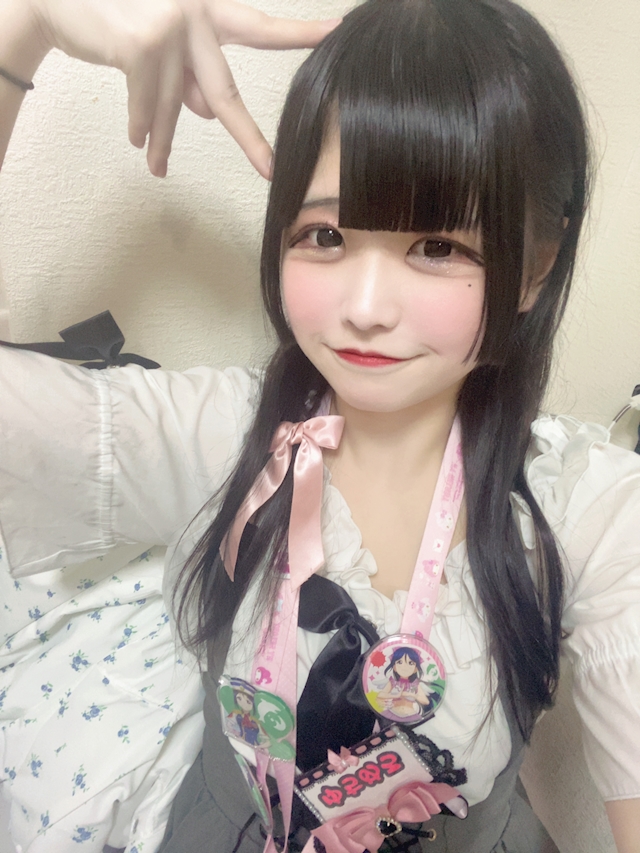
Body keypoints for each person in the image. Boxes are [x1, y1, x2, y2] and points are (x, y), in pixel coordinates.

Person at [0, 1, 639, 853]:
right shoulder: (223, 436)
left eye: (438, 246)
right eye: (326, 234)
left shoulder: (587, 511)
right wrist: (23, 30)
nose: (364, 307)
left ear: (535, 268)